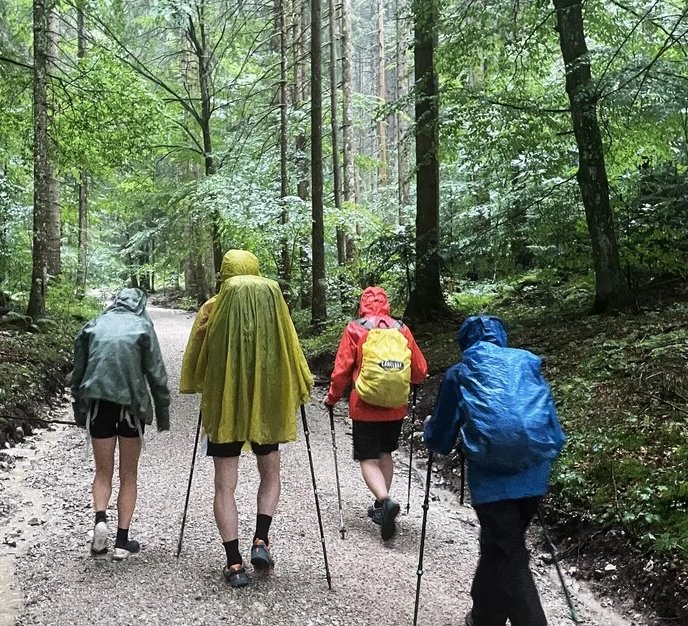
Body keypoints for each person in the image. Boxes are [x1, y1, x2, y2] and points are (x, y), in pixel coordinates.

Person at [423, 316, 564, 626]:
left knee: (509, 554)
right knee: (499, 546)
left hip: (492, 482)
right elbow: (549, 422)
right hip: (535, 472)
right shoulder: (525, 365)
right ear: (501, 338)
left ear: (465, 343)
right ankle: (486, 621)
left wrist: (430, 428)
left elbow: (441, 439)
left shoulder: (461, 373)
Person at [181, 250, 313, 588]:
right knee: (270, 472)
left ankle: (234, 562)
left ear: (225, 274)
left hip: (225, 405)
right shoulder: (274, 303)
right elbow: (291, 346)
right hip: (267, 403)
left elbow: (196, 354)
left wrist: (199, 382)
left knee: (225, 485)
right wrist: (301, 383)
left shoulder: (212, 307)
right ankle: (261, 540)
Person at [71, 287, 171, 560]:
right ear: (140, 306)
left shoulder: (94, 324)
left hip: (99, 405)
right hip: (131, 408)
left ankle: (100, 520)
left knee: (103, 471)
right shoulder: (143, 327)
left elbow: (78, 372)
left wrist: (79, 411)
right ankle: (121, 541)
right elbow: (157, 374)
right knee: (128, 474)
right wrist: (162, 415)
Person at [323, 286, 428, 541]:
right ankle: (382, 508)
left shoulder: (356, 328)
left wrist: (332, 397)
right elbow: (420, 372)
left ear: (362, 305)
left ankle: (384, 499)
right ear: (386, 304)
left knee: (368, 458)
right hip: (395, 407)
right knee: (385, 454)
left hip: (365, 407)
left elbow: (341, 371)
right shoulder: (401, 329)